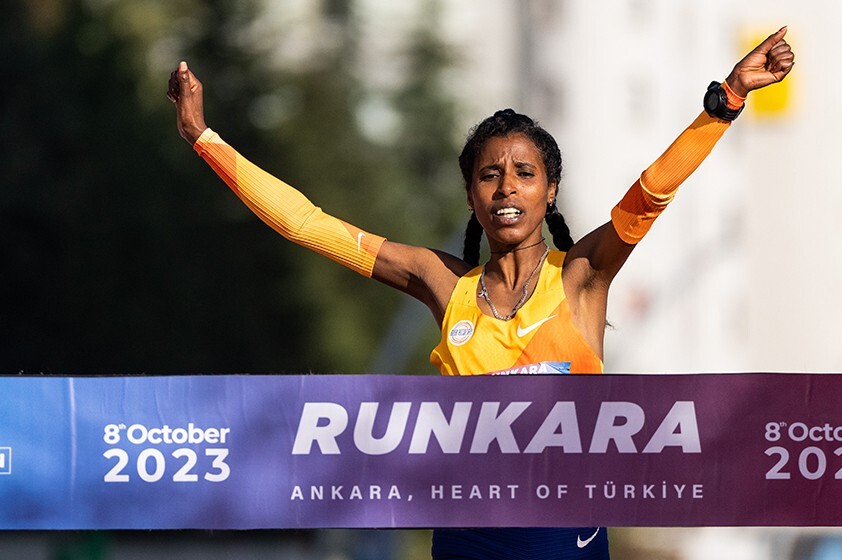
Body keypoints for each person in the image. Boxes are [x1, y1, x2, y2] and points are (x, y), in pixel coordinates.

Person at [168, 27, 793, 560]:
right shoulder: (444, 284)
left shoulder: (582, 276)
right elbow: (309, 225)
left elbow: (649, 195)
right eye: (489, 175)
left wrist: (727, 99)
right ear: (471, 196)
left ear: (550, 191)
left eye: (525, 174)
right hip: (467, 532)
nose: (506, 188)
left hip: (565, 532)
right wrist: (204, 138)